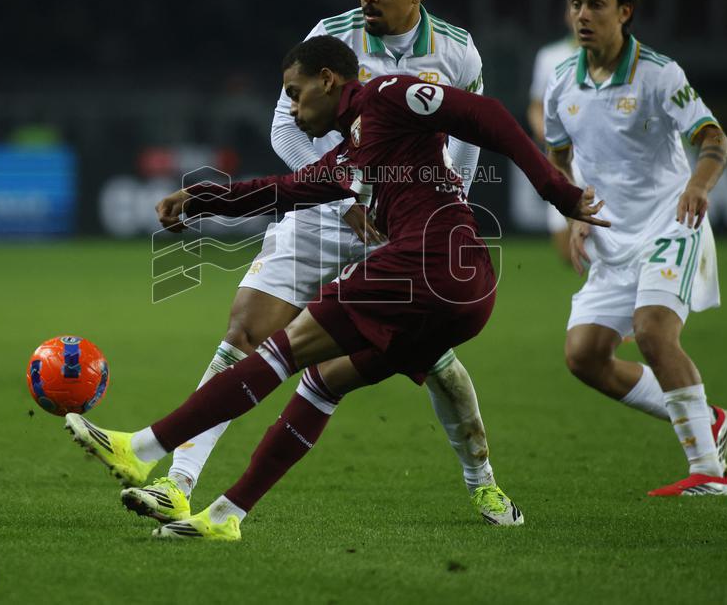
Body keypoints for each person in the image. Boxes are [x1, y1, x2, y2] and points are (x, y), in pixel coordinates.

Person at [63, 35, 608, 541]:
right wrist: (202, 198)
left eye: (296, 95)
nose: (294, 112)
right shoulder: (351, 152)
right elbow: (283, 188)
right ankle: (226, 516)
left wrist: (557, 192)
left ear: (328, 80)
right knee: (322, 383)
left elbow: (486, 114)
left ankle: (141, 448)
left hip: (426, 261)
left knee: (281, 351)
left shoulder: (388, 95)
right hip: (467, 293)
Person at [124, 0, 517, 527]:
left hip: (408, 228)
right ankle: (177, 483)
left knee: (438, 365)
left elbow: (465, 139)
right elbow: (285, 127)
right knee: (245, 330)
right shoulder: (333, 33)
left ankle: (482, 481)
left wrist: (433, 209)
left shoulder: (458, 53)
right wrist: (350, 193)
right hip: (326, 210)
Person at [543, 0, 727, 497]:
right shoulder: (563, 84)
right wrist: (573, 210)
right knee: (584, 356)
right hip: (611, 236)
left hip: (671, 224)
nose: (583, 14)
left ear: (625, 11)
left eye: (597, 4)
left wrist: (698, 185)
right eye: (576, 3)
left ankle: (709, 471)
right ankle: (711, 420)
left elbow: (713, 140)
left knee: (654, 331)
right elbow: (557, 157)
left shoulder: (658, 73)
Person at [527, 27, 580, 261]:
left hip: (603, 157)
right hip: (562, 155)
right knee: (565, 250)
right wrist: (545, 133)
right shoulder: (550, 56)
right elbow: (536, 106)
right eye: (576, 5)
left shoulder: (618, 57)